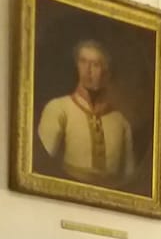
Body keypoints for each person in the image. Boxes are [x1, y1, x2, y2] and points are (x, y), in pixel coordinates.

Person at [37, 38, 136, 187]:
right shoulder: (58, 108)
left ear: (106, 74)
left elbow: (129, 175)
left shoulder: (120, 121)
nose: (87, 70)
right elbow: (42, 163)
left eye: (95, 64)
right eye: (83, 62)